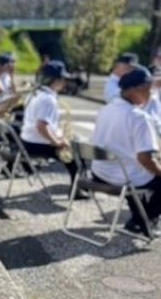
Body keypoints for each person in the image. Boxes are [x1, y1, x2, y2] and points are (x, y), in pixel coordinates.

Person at [91, 65, 161, 236]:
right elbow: (145, 159)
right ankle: (143, 220)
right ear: (138, 89)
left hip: (98, 173)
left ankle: (139, 220)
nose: (151, 94)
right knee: (150, 174)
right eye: (149, 89)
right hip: (120, 178)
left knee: (135, 170)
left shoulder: (106, 109)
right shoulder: (139, 117)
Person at [19, 60, 83, 195]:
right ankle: (77, 191)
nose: (65, 83)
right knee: (77, 156)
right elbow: (41, 126)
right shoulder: (48, 99)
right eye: (63, 79)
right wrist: (58, 142)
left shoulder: (35, 93)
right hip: (37, 143)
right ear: (57, 80)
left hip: (27, 141)